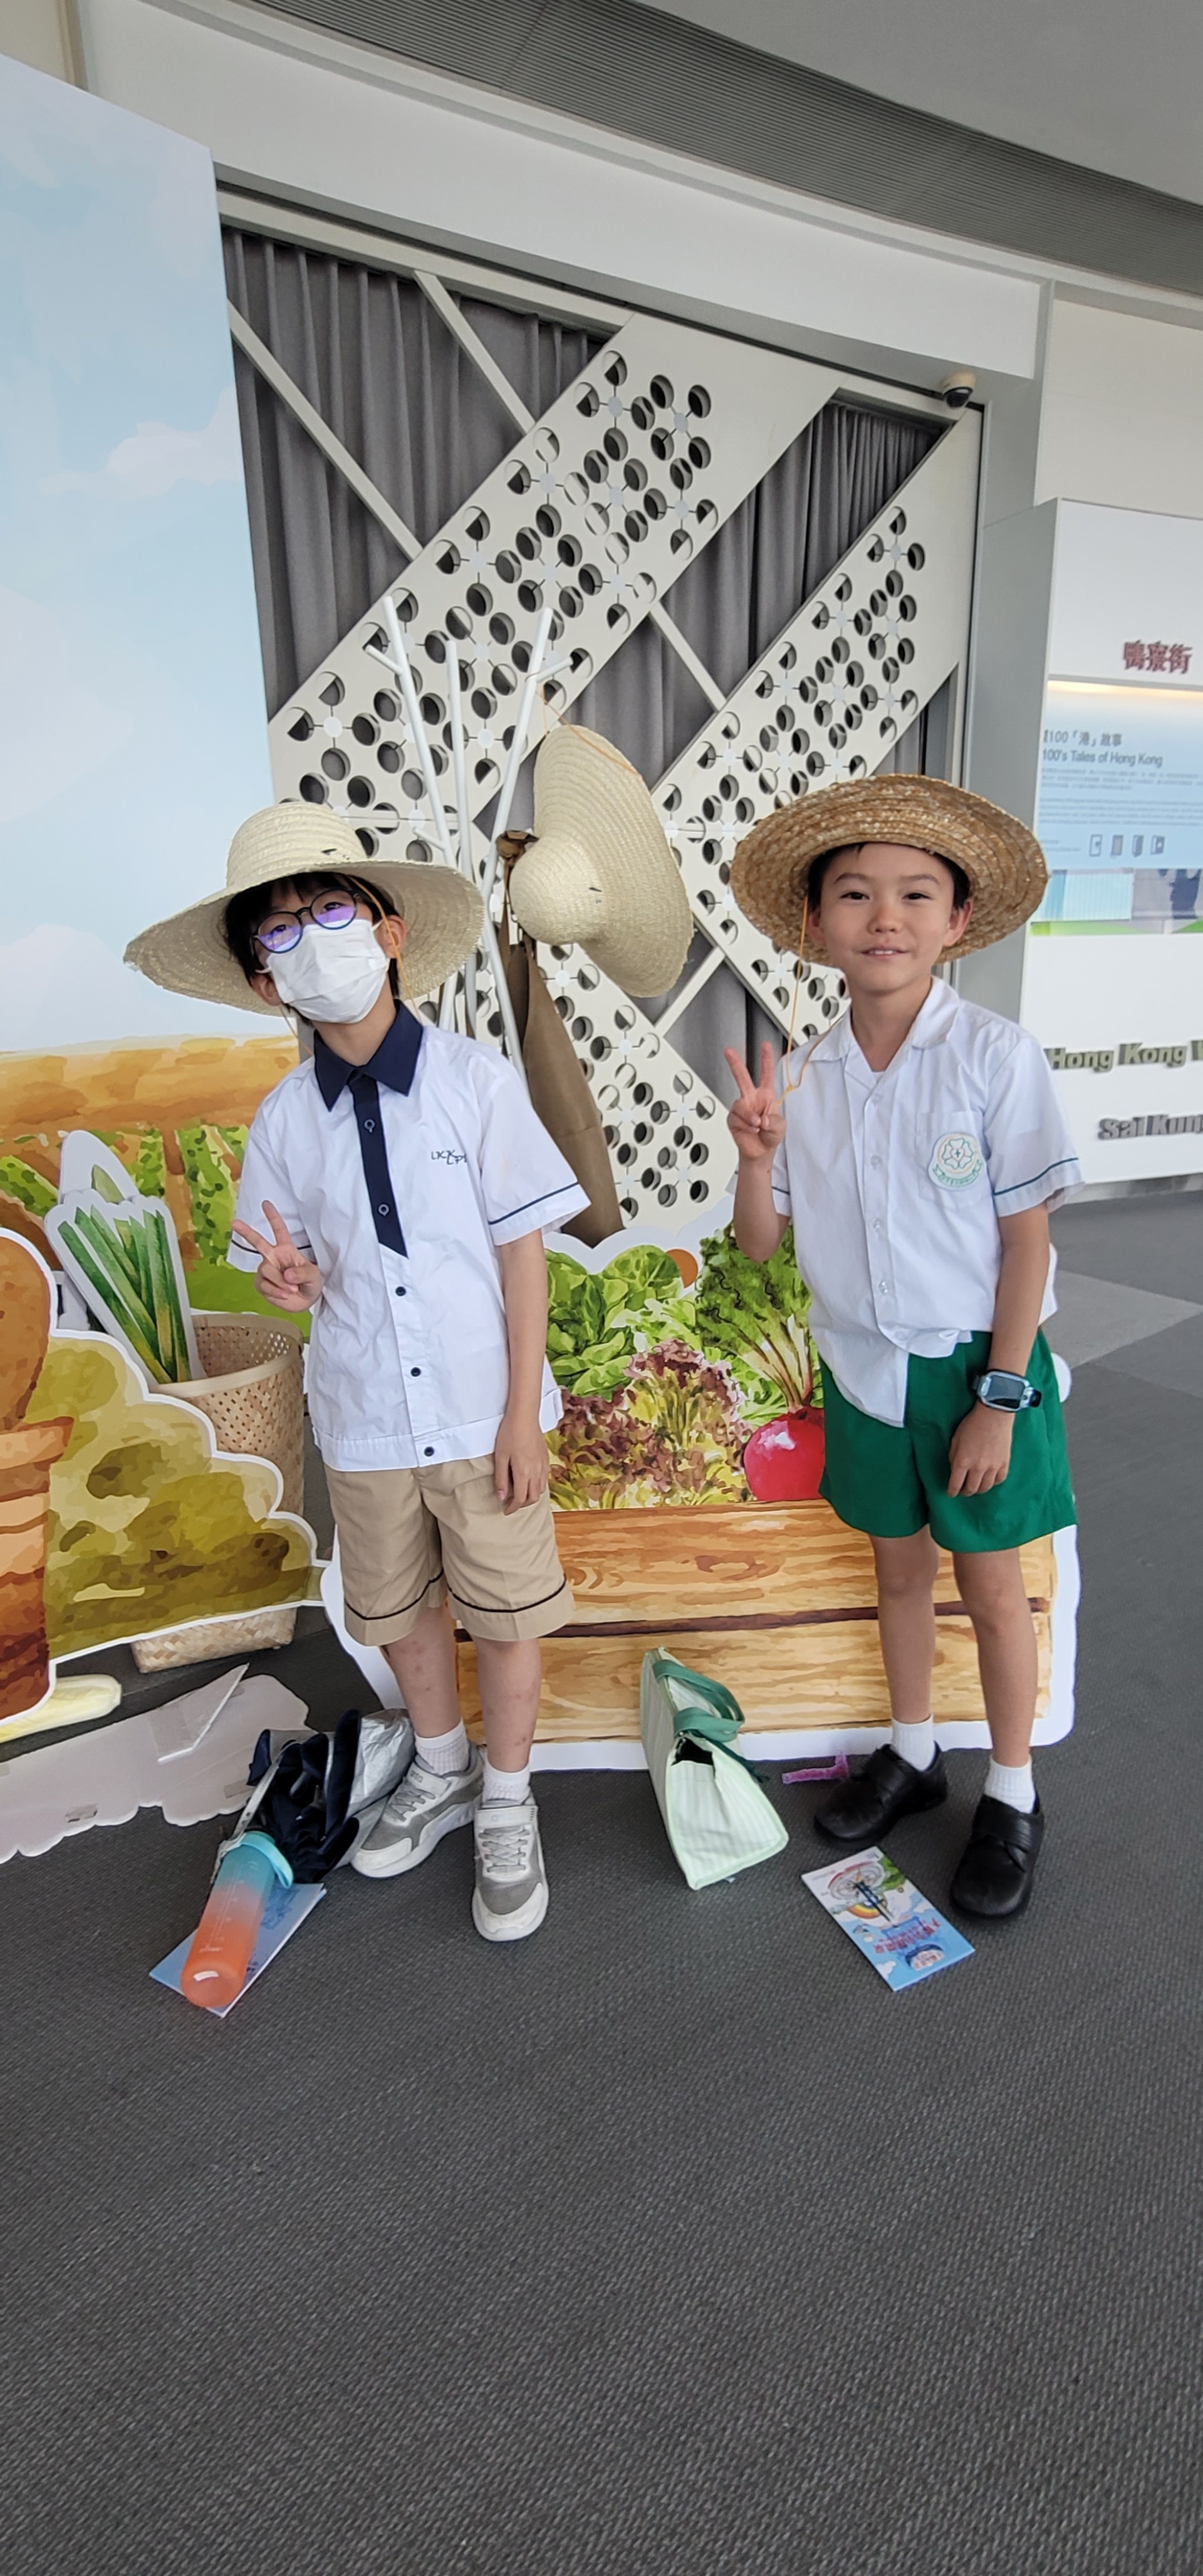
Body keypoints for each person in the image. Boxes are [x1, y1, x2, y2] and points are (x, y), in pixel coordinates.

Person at [126, 806, 588, 1942]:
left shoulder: (475, 1084)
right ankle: (440, 1766)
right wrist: (287, 1282)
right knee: (400, 1612)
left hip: (481, 1416)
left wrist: (521, 1415)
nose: (311, 938)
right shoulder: (284, 1122)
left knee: (507, 1616)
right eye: (279, 932)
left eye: (329, 909)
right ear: (265, 982)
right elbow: (289, 1269)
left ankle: (509, 1800)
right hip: (368, 1419)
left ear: (387, 932)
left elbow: (522, 1255)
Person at [726, 775, 1080, 1919]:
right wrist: (754, 1158)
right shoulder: (804, 1077)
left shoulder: (994, 1057)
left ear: (958, 919)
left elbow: (1026, 1242)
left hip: (978, 1369)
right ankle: (917, 1753)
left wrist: (1000, 1396)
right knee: (898, 1571)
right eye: (856, 893)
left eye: (917, 893)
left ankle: (1013, 1793)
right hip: (863, 1369)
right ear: (815, 920)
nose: (886, 916)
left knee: (992, 1585)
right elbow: (762, 1246)